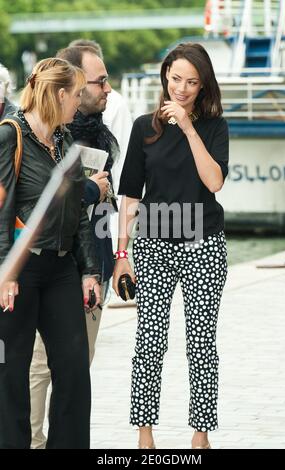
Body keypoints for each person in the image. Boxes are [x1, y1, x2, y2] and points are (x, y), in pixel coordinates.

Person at [113, 42, 229, 449]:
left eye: (192, 83)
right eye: (176, 78)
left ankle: (200, 436)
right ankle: (145, 437)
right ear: (165, 76)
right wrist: (121, 256)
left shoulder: (214, 126)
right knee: (150, 339)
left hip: (204, 244)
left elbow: (214, 182)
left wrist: (189, 127)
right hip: (153, 245)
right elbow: (129, 196)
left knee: (201, 341)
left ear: (202, 87)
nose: (181, 89)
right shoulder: (144, 127)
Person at [0, 57, 101, 449]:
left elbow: (76, 214)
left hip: (60, 269)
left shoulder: (63, 142)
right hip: (20, 270)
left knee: (74, 370)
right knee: (11, 373)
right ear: (59, 94)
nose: (80, 102)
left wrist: (89, 269)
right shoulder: (11, 135)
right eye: (76, 95)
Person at [29, 45, 119, 449]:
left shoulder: (103, 134)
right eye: (98, 81)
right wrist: (88, 188)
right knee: (38, 367)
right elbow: (37, 203)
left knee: (76, 370)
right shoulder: (43, 136)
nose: (106, 88)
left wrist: (115, 260)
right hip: (45, 271)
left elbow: (102, 212)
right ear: (71, 87)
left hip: (89, 267)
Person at [68, 38, 133, 251]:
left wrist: (118, 248)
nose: (108, 89)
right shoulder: (50, 132)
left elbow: (123, 174)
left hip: (102, 236)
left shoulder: (108, 116)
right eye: (101, 80)